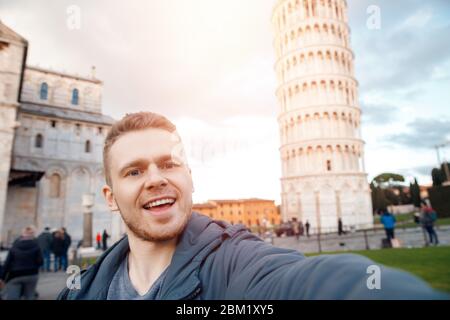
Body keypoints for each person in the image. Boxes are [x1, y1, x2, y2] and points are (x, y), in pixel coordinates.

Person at [57, 112, 447, 300]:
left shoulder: (235, 266)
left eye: (169, 164)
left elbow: (309, 283)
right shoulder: (80, 291)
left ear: (190, 178)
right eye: (134, 171)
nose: (156, 178)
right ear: (110, 198)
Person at [0, 226, 43, 300]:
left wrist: (2, 277)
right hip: (31, 274)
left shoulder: (15, 246)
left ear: (22, 235)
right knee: (30, 296)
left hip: (16, 275)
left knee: (13, 296)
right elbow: (40, 262)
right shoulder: (36, 246)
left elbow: (7, 263)